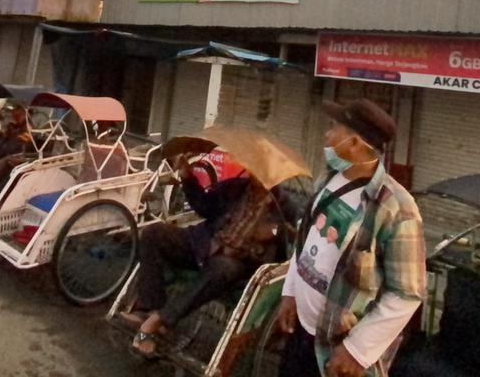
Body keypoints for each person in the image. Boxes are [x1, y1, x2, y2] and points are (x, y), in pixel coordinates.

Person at [275, 98, 425, 377]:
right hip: (302, 333)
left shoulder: (396, 208)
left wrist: (357, 350)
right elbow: (307, 240)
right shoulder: (329, 178)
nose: (326, 135)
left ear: (355, 143)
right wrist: (290, 292)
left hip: (338, 350)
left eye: (334, 128)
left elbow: (407, 292)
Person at [127, 156, 284, 358]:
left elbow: (287, 242)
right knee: (153, 233)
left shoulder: (282, 205)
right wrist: (187, 178)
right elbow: (204, 205)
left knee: (222, 268)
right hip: (203, 244)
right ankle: (149, 307)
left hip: (237, 262)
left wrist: (273, 232)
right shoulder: (236, 187)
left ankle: (160, 319)